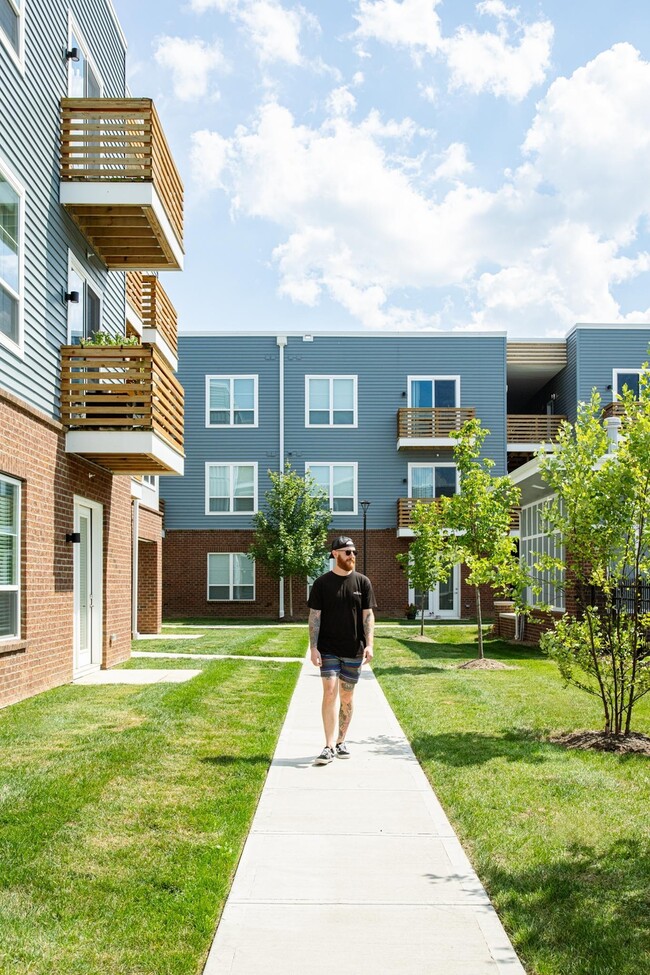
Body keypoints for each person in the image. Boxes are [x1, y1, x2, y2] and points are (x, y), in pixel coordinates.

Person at [307, 535, 377, 765]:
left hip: (353, 649)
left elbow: (368, 615)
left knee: (347, 696)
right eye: (348, 552)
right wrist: (314, 647)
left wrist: (369, 644)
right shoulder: (321, 584)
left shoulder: (363, 583)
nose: (352, 556)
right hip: (328, 648)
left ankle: (340, 740)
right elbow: (314, 617)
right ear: (335, 554)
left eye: (355, 552)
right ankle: (327, 746)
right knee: (329, 692)